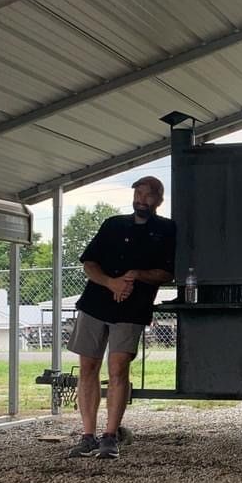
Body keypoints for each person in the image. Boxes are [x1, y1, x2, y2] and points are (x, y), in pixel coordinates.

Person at [66, 176, 176, 459]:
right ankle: (87, 435)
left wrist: (136, 275)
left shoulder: (166, 229)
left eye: (148, 195)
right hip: (94, 303)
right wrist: (111, 283)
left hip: (133, 307)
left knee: (118, 368)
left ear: (159, 199)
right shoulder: (113, 224)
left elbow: (167, 272)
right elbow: (89, 263)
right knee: (88, 366)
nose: (141, 199)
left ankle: (110, 436)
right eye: (138, 193)